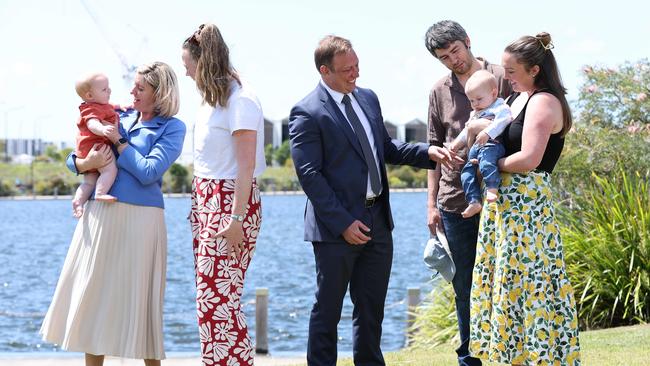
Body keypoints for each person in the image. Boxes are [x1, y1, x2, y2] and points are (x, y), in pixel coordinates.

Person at [289, 35, 437, 366]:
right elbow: (310, 175)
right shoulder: (306, 112)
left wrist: (428, 152)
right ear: (325, 71)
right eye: (346, 70)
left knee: (371, 311)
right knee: (327, 310)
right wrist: (342, 223)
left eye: (357, 66)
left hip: (378, 222)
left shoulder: (368, 98)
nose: (355, 74)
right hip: (335, 230)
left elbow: (385, 147)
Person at [40, 61, 186, 366]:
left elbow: (150, 171)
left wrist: (119, 143)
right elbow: (77, 156)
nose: (131, 90)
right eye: (133, 85)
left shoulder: (173, 127)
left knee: (142, 305)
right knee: (95, 299)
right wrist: (84, 164)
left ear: (159, 93)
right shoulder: (117, 113)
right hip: (100, 216)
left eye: (140, 88)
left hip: (141, 221)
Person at [469, 32, 581, 365]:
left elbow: (530, 159)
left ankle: (540, 357)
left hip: (527, 207)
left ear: (534, 69)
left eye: (512, 72)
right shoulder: (519, 99)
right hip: (507, 206)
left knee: (530, 283)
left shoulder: (544, 101)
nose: (507, 78)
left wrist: (489, 164)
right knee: (508, 282)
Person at [424, 20, 512, 366]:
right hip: (454, 200)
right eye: (444, 57)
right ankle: (470, 357)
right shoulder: (438, 91)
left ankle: (508, 353)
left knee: (506, 276)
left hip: (501, 194)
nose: (453, 60)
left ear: (468, 42)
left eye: (455, 51)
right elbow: (433, 150)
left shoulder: (503, 76)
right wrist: (430, 205)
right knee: (465, 283)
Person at [181, 23, 265, 366]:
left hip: (232, 202)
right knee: (210, 300)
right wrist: (199, 207)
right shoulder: (212, 99)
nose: (187, 74)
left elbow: (244, 167)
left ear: (206, 63)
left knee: (218, 300)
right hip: (207, 201)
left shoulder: (240, 100)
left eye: (189, 67)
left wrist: (236, 219)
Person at [448, 70, 512, 218]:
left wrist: (488, 132)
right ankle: (474, 201)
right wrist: (456, 144)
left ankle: (492, 187)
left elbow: (504, 121)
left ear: (494, 94)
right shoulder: (475, 113)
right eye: (471, 101)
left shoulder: (499, 107)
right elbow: (466, 130)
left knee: (487, 163)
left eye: (479, 99)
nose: (475, 104)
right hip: (475, 149)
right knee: (466, 174)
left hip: (493, 145)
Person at [72, 72, 119, 217]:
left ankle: (78, 202)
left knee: (88, 182)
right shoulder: (92, 109)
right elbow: (92, 124)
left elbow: (111, 107)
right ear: (90, 96)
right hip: (97, 147)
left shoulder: (98, 105)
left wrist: (120, 106)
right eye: (104, 89)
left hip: (85, 151)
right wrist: (103, 129)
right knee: (109, 170)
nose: (109, 90)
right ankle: (101, 193)